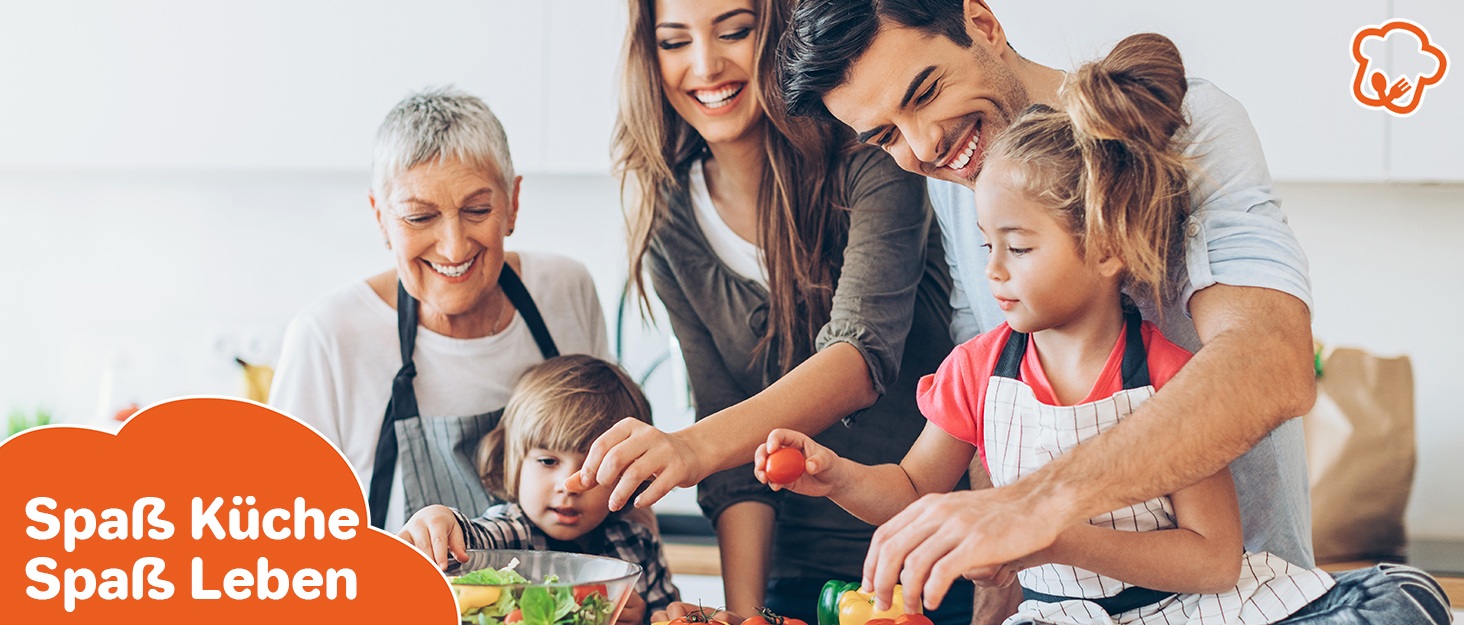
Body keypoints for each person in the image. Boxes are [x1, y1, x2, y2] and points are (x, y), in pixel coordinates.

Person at [760, 34, 1451, 625]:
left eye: (1020, 248)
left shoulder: (1170, 375)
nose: (922, 146)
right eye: (884, 135)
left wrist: (1044, 523)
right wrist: (840, 475)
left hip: (1213, 605)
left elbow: (1216, 547)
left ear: (1104, 246)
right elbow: (920, 487)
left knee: (1398, 598)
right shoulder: (978, 351)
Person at [565, 0, 969, 622]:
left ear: (778, 33)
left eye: (735, 31)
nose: (705, 65)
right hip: (795, 573)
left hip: (931, 557)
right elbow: (732, 464)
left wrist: (691, 447)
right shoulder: (670, 216)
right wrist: (746, 612)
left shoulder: (872, 153)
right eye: (675, 42)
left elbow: (860, 358)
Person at [270, 87, 611, 533]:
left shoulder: (566, 291)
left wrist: (646, 589)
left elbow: (620, 471)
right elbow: (287, 540)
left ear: (512, 203)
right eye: (419, 217)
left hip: (567, 600)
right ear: (381, 218)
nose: (453, 246)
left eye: (476, 209)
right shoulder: (328, 337)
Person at [398, 355, 679, 625]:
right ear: (513, 464)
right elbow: (468, 542)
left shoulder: (638, 544)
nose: (568, 485)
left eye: (594, 469)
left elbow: (669, 615)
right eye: (548, 461)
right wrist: (439, 519)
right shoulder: (510, 532)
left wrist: (644, 619)